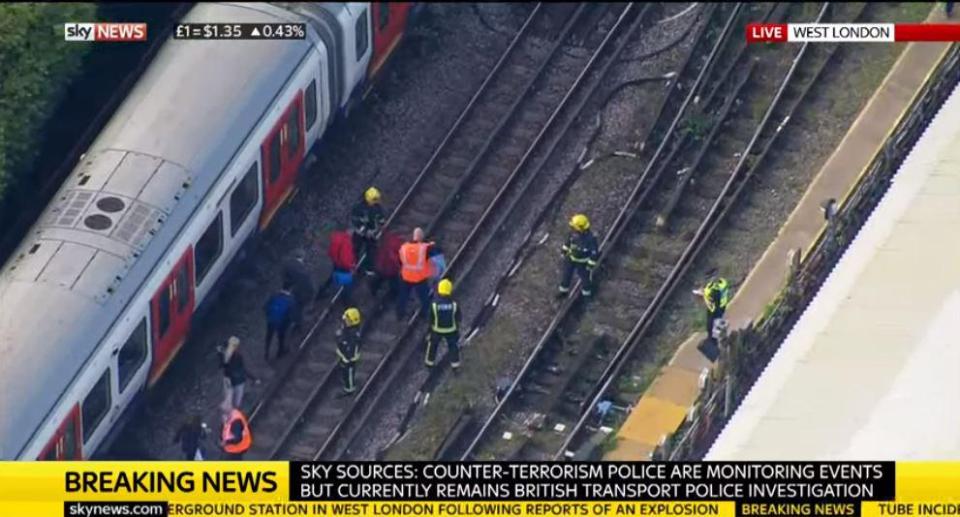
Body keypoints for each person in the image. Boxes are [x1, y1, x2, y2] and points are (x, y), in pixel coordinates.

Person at [558, 213, 599, 298]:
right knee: (566, 275)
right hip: (571, 258)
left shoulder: (590, 239)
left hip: (583, 262)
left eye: (574, 227)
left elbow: (594, 253)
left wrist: (590, 265)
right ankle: (563, 292)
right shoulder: (573, 233)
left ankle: (586, 296)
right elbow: (568, 242)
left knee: (585, 280)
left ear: (580, 228)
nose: (573, 228)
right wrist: (564, 251)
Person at [397, 227, 434, 320]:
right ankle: (425, 314)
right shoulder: (424, 248)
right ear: (421, 237)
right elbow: (432, 250)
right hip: (419, 278)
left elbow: (400, 260)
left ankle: (400, 314)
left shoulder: (404, 247)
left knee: (403, 296)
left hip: (406, 277)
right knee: (424, 297)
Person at [425, 279, 462, 370]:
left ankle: (429, 364)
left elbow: (430, 319)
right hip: (451, 330)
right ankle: (455, 366)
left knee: (433, 346)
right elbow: (459, 317)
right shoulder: (454, 304)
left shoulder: (434, 304)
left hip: (437, 330)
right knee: (453, 347)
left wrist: (429, 330)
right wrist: (457, 327)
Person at [351, 187, 386, 275]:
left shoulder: (377, 207)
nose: (376, 201)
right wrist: (365, 231)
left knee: (371, 250)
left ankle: (369, 268)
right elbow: (355, 221)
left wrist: (381, 224)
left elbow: (381, 217)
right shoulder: (359, 208)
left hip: (371, 233)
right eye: (375, 199)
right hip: (360, 233)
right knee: (355, 249)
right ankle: (353, 266)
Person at [219, 336, 258, 414]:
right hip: (238, 381)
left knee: (229, 400)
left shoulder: (225, 356)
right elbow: (243, 369)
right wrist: (254, 378)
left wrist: (220, 352)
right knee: (237, 402)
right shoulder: (238, 357)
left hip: (228, 381)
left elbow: (222, 367)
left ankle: (229, 415)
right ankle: (234, 416)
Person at [282, 248, 315, 327]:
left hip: (296, 289)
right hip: (301, 290)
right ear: (301, 257)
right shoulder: (300, 267)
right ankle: (298, 321)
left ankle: (296, 321)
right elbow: (306, 278)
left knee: (298, 305)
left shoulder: (290, 264)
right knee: (300, 305)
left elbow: (286, 277)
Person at [264, 283, 296, 360]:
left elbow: (266, 306)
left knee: (269, 337)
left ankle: (266, 352)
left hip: (271, 320)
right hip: (282, 323)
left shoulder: (274, 295)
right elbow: (291, 314)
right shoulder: (291, 300)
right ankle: (280, 352)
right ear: (290, 289)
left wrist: (269, 316)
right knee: (281, 337)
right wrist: (290, 323)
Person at [325, 229, 357, 305]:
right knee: (348, 283)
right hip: (342, 265)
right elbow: (345, 258)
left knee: (333, 276)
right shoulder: (347, 242)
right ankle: (346, 300)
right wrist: (351, 266)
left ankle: (323, 290)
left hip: (335, 261)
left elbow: (331, 250)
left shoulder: (337, 237)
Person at [336, 307, 362, 394]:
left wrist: (348, 357)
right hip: (345, 357)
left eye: (347, 319)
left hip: (349, 359)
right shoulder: (349, 330)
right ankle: (347, 383)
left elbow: (352, 349)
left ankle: (349, 389)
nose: (345, 320)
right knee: (344, 372)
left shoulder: (353, 335)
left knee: (348, 373)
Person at [371, 229, 404, 300]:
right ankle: (393, 295)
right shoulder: (398, 244)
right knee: (394, 284)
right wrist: (399, 267)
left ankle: (373, 289)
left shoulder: (387, 238)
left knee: (379, 279)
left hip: (382, 265)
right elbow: (396, 258)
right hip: (391, 268)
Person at [700, 275, 731, 340]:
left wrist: (703, 292)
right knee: (718, 322)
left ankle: (714, 338)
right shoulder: (723, 283)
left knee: (713, 323)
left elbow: (712, 297)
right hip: (721, 306)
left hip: (715, 308)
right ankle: (718, 336)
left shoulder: (713, 291)